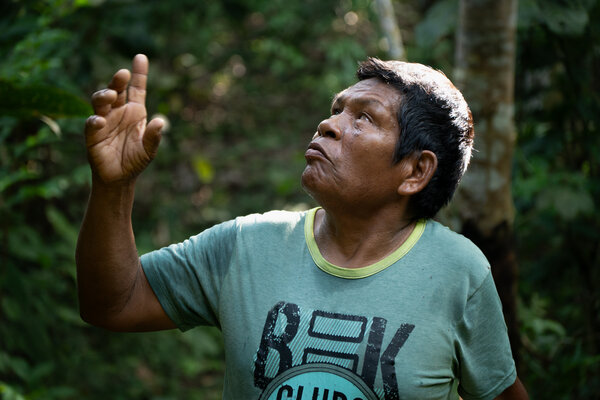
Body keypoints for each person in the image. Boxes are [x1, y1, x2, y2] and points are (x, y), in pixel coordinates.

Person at [76, 54, 529, 400]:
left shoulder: (458, 272)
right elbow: (111, 304)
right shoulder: (247, 244)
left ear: (415, 172)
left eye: (364, 117)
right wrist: (114, 188)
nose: (328, 124)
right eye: (336, 109)